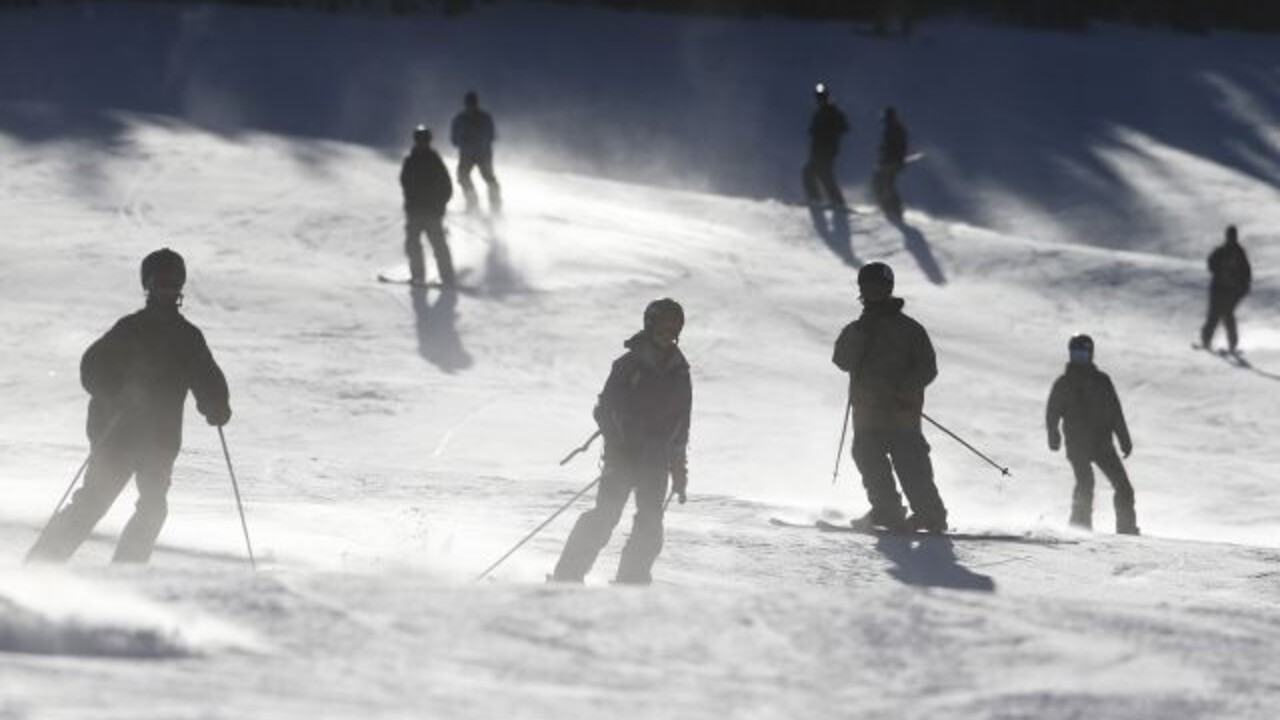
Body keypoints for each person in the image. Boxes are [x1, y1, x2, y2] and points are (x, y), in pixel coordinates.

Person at [26, 248, 231, 563]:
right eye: (161, 282)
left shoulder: (188, 337)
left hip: (160, 441)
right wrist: (117, 392)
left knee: (153, 508)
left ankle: (126, 574)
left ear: (180, 287)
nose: (167, 289)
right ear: (148, 286)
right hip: (117, 434)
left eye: (173, 283)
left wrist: (215, 403)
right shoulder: (130, 328)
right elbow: (91, 368)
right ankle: (40, 565)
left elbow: (207, 376)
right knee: (94, 501)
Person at [550, 299, 692, 585]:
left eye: (674, 327)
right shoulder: (629, 364)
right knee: (605, 517)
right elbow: (603, 410)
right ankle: (566, 579)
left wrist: (679, 470)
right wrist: (617, 445)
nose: (668, 332)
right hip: (624, 456)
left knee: (650, 524)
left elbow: (681, 426)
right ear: (650, 325)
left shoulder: (680, 374)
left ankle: (631, 582)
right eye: (663, 326)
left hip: (656, 462)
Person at [832, 262, 947, 533]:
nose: (871, 292)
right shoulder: (856, 328)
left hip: (901, 413)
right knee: (868, 459)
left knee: (911, 464)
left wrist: (903, 390)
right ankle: (887, 511)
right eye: (866, 287)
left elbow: (927, 368)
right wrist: (862, 331)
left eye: (877, 287)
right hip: (867, 413)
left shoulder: (910, 330)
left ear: (888, 289)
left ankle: (931, 516)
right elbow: (841, 359)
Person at [1045, 334, 1139, 535]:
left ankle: (1127, 529)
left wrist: (1124, 439)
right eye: (1075, 354)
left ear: (1090, 354)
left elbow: (1115, 411)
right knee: (1086, 482)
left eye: (1082, 354)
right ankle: (1080, 526)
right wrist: (1053, 434)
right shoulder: (1064, 383)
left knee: (1124, 487)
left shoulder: (1102, 380)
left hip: (1102, 443)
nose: (1078, 358)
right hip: (1077, 444)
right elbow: (1053, 411)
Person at [400, 124, 456, 286]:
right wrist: (410, 201)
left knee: (438, 246)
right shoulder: (410, 161)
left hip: (432, 213)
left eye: (424, 140)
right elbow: (404, 182)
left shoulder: (434, 161)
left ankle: (448, 278)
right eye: (419, 140)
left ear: (429, 141)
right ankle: (418, 276)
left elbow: (447, 186)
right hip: (415, 212)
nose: (421, 143)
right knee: (412, 245)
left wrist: (440, 206)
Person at [1199, 225, 1251, 353]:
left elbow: (1246, 272)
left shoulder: (1239, 253)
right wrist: (1219, 268)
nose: (1231, 238)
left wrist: (1242, 287)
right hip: (1217, 289)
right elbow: (1210, 263)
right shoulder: (1221, 251)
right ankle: (1206, 341)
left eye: (1233, 236)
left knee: (1227, 315)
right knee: (1214, 315)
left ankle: (1232, 345)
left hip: (1231, 291)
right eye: (1229, 236)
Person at [451, 91, 502, 214]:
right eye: (469, 103)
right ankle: (473, 203)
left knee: (488, 177)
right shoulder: (460, 119)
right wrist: (463, 142)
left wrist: (478, 142)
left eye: (472, 103)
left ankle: (495, 205)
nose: (471, 106)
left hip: (482, 154)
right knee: (463, 176)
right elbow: (454, 138)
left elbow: (492, 135)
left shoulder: (484, 118)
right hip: (469, 154)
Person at [802, 82, 850, 209]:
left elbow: (844, 127)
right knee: (818, 173)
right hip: (818, 150)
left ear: (826, 97)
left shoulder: (832, 111)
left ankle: (831, 201)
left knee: (819, 172)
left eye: (821, 97)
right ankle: (828, 200)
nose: (819, 100)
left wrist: (829, 133)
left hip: (827, 150)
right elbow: (813, 132)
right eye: (818, 97)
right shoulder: (819, 113)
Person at [872, 106, 908, 221]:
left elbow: (898, 147)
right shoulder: (891, 129)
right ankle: (888, 207)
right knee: (881, 183)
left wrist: (897, 159)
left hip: (892, 162)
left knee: (887, 184)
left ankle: (894, 210)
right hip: (887, 161)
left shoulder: (896, 129)